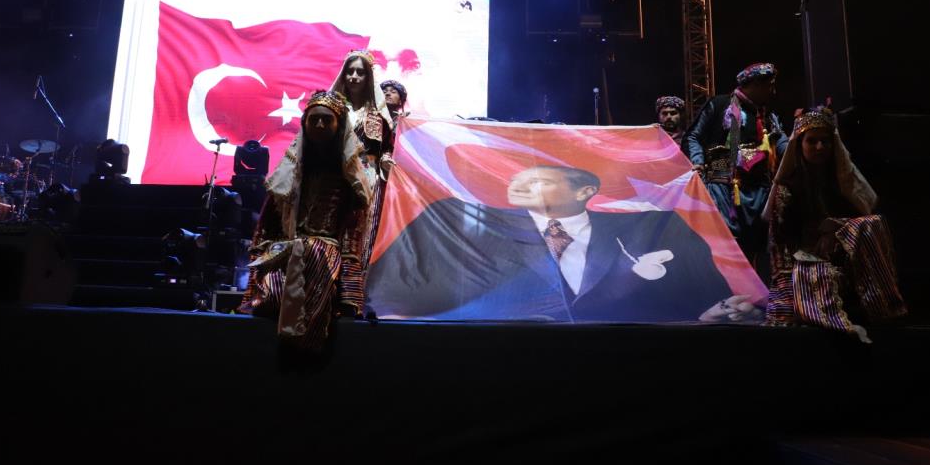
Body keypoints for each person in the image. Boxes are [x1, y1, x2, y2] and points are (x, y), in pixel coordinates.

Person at [368, 164, 761, 324]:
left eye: (538, 181)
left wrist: (710, 314)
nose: (520, 185)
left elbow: (705, 298)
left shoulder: (655, 226)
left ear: (584, 191)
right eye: (516, 180)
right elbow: (404, 280)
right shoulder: (464, 223)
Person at [239, 90, 371, 350]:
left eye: (326, 120)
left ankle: (306, 352)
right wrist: (262, 260)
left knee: (315, 270)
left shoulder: (349, 178)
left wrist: (350, 290)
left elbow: (353, 234)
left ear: (338, 125)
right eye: (314, 119)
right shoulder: (290, 172)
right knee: (272, 295)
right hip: (285, 249)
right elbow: (267, 225)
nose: (319, 125)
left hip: (325, 251)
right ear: (305, 123)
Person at [763, 104, 907, 343]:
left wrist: (837, 230)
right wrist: (787, 285)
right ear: (800, 145)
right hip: (805, 265)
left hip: (846, 259)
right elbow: (780, 244)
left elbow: (863, 226)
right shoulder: (788, 187)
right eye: (812, 141)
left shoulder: (842, 183)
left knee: (872, 224)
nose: (820, 147)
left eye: (825, 141)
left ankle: (882, 307)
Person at [684, 63, 787, 273]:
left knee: (756, 248)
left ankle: (755, 290)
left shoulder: (768, 116)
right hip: (722, 184)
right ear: (754, 84)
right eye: (769, 86)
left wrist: (799, 145)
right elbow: (693, 136)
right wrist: (698, 162)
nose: (773, 91)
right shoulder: (720, 105)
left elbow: (783, 145)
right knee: (728, 247)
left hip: (758, 191)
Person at [330, 50, 395, 286]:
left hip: (367, 175)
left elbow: (387, 145)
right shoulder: (332, 107)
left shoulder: (378, 114)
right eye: (350, 71)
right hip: (334, 175)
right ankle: (328, 285)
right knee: (332, 229)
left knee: (361, 232)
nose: (354, 77)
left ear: (368, 77)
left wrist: (385, 158)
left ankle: (354, 290)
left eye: (360, 72)